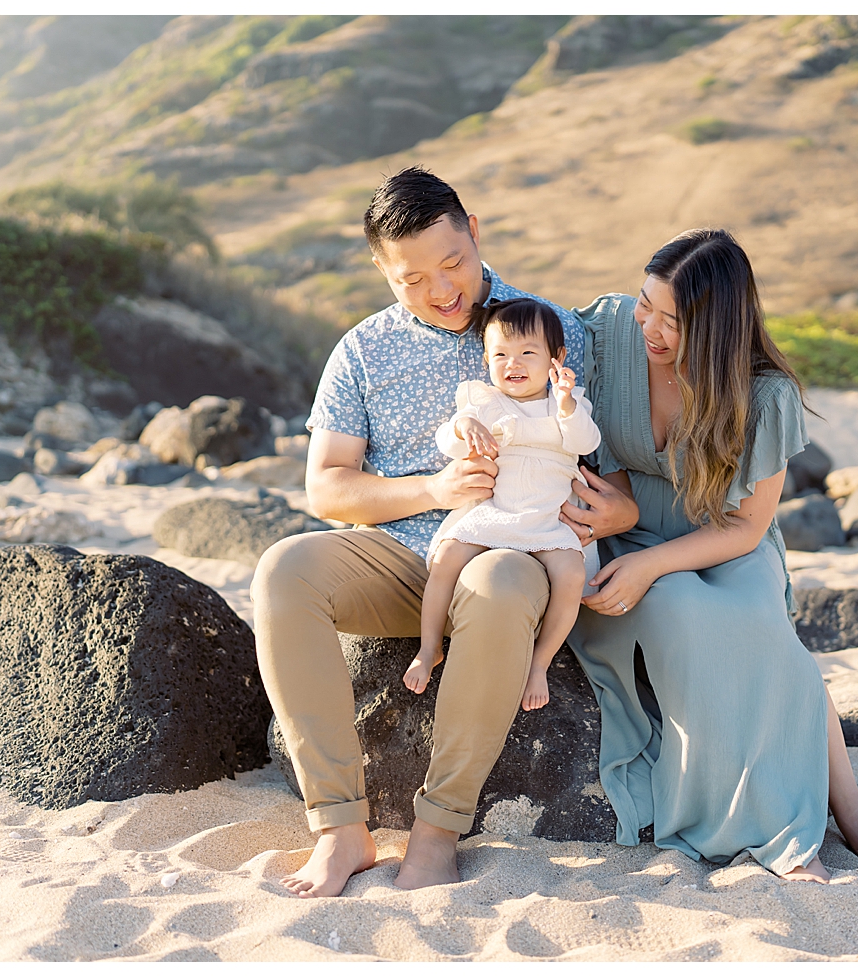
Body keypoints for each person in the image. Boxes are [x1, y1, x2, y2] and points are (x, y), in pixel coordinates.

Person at [249, 166, 636, 898]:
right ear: (381, 271)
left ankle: (435, 832)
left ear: (475, 233)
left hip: (512, 558)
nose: (441, 289)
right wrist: (433, 487)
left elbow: (606, 468)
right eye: (412, 278)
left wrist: (613, 512)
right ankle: (340, 830)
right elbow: (325, 484)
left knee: (499, 580)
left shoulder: (554, 331)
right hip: (401, 555)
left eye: (452, 262)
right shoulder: (363, 351)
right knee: (281, 571)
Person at [559, 228, 858, 879]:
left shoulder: (764, 394)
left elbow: (746, 528)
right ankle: (773, 829)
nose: (649, 326)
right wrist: (626, 531)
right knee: (679, 608)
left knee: (770, 640)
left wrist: (653, 562)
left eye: (672, 321)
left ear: (717, 330)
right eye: (646, 302)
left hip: (722, 545)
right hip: (625, 535)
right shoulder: (612, 330)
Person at [404, 298, 602, 711]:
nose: (513, 363)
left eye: (528, 353)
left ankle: (539, 664)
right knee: (446, 558)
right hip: (496, 514)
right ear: (486, 360)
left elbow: (586, 443)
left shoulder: (568, 403)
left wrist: (565, 403)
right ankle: (429, 647)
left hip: (548, 519)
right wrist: (465, 424)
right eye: (500, 354)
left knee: (570, 575)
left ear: (556, 358)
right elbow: (450, 441)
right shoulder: (485, 402)